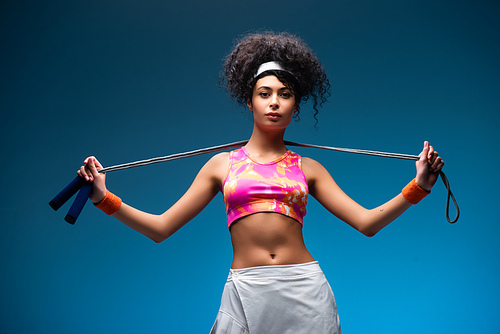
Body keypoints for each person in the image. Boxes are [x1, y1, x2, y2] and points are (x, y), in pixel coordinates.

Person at [78, 32, 444, 334]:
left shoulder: (309, 168)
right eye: (264, 93)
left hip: (305, 291)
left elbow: (366, 223)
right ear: (249, 102)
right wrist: (103, 198)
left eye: (285, 95)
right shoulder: (221, 165)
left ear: (295, 106)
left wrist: (419, 188)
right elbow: (161, 228)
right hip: (245, 289)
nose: (274, 102)